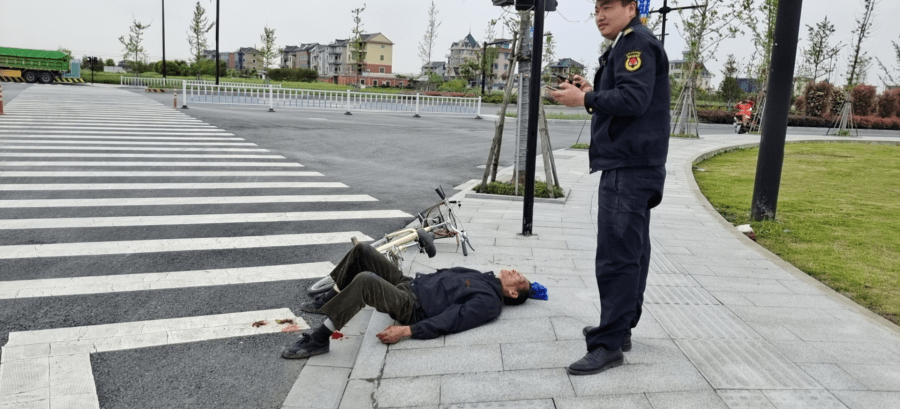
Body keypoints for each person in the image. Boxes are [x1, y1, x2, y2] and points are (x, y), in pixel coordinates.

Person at [549, 0, 669, 376]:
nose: (599, 15)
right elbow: (627, 95)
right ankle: (621, 328)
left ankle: (608, 344)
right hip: (637, 163)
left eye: (607, 6)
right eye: (596, 8)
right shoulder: (629, 43)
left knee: (617, 257)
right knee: (633, 250)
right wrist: (592, 89)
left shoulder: (635, 44)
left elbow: (633, 100)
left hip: (629, 167)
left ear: (631, 7)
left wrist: (584, 98)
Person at [281, 243, 535, 359]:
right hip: (409, 283)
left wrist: (407, 330)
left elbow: (453, 320)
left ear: (513, 293)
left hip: (412, 306)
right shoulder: (484, 278)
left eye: (519, 277)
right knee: (363, 251)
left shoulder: (489, 301)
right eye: (517, 270)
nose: (514, 270)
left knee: (366, 280)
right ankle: (328, 300)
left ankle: (319, 340)